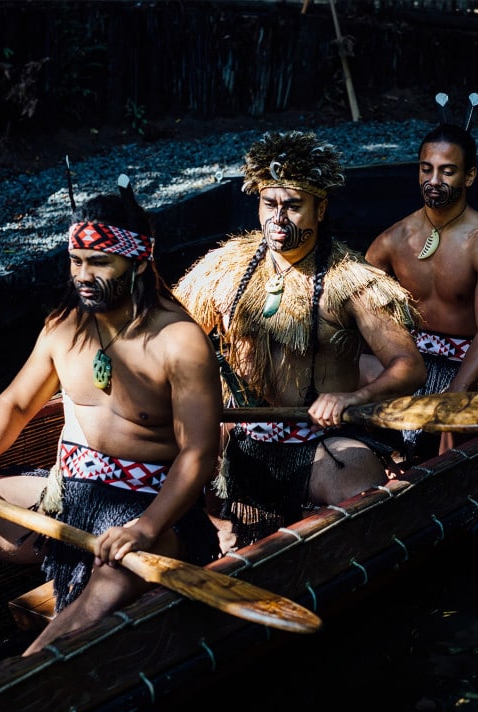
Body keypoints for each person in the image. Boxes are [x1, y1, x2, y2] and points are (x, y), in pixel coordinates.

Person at [0, 176, 222, 672]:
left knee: (110, 577)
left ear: (139, 262)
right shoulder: (63, 326)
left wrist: (145, 528)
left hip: (152, 511)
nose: (83, 275)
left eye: (99, 262)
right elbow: (14, 405)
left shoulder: (179, 341)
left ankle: (14, 683)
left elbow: (200, 455)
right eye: (76, 261)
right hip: (63, 497)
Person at [175, 131, 425, 547]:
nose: (278, 218)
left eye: (293, 206)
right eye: (269, 204)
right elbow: (170, 333)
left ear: (320, 208)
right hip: (241, 436)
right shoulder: (224, 267)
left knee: (361, 481)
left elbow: (410, 366)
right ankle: (213, 534)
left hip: (319, 443)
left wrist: (350, 399)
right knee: (165, 443)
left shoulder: (351, 281)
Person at [365, 121, 478, 457]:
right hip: (410, 362)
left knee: (458, 419)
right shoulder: (395, 238)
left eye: (447, 171)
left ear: (469, 177)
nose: (433, 181)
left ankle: (441, 486)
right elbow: (354, 298)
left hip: (467, 367)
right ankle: (374, 461)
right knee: (346, 377)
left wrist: (456, 392)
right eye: (426, 169)